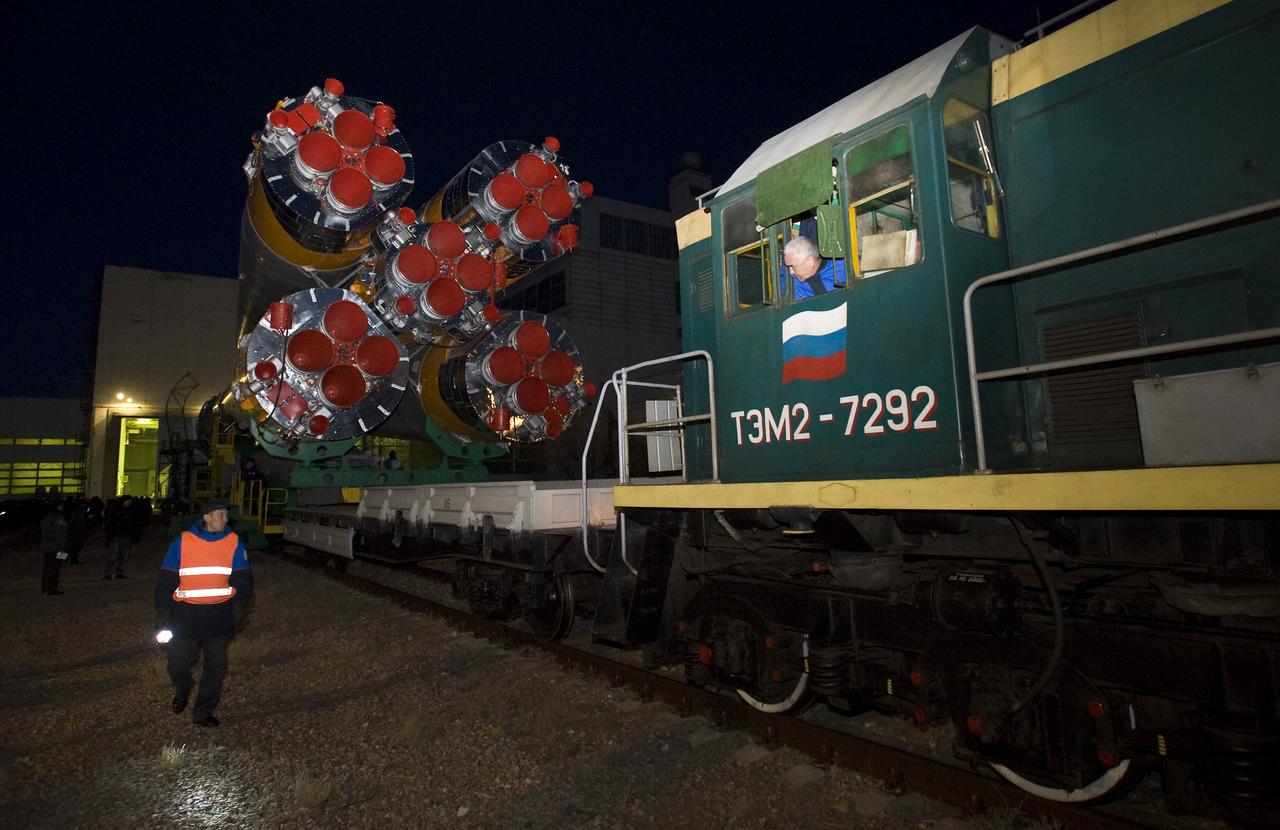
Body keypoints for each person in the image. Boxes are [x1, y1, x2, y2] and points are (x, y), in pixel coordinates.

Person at [154, 498, 252, 727]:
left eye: (226, 514)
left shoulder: (234, 542)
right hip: (185, 617)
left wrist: (238, 609)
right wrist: (162, 610)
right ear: (206, 517)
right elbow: (167, 578)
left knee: (216, 667)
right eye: (221, 514)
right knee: (178, 663)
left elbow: (243, 580)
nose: (225, 519)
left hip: (219, 616)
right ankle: (184, 686)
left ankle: (203, 711)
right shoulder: (183, 542)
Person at [783, 235, 846, 300]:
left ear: (810, 261)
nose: (790, 272)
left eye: (793, 266)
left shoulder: (841, 272)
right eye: (788, 266)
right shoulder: (786, 274)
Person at [103, 494, 140, 579]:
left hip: (126, 536)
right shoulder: (116, 510)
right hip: (116, 536)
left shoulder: (131, 511)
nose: (128, 503)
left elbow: (135, 524)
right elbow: (110, 523)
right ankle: (108, 573)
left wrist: (135, 534)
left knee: (123, 556)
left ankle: (119, 572)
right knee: (113, 556)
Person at [39, 501, 69, 595]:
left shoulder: (45, 519)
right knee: (55, 568)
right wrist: (64, 549)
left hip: (47, 547)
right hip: (57, 548)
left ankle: (45, 588)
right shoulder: (59, 519)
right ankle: (52, 588)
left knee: (47, 567)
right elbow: (61, 534)